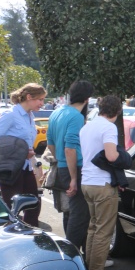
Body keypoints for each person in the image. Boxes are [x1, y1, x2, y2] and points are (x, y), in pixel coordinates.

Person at [79, 95, 123, 270]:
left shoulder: (87, 126)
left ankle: (90, 267)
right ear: (118, 111)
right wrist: (125, 158)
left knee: (93, 227)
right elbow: (111, 156)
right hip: (103, 184)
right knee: (104, 231)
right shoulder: (109, 127)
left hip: (87, 181)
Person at [47, 80, 93, 253]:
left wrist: (61, 160)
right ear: (87, 98)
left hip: (63, 167)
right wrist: (74, 178)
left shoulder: (57, 113)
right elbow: (70, 148)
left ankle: (70, 252)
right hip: (75, 168)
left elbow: (51, 143)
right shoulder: (76, 117)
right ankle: (72, 256)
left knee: (70, 211)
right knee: (80, 214)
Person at [0, 83, 45, 226]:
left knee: (33, 204)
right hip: (10, 169)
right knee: (10, 210)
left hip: (26, 167)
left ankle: (29, 239)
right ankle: (7, 242)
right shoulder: (11, 114)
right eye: (40, 99)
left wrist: (35, 162)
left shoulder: (30, 115)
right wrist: (14, 153)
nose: (42, 103)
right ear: (29, 97)